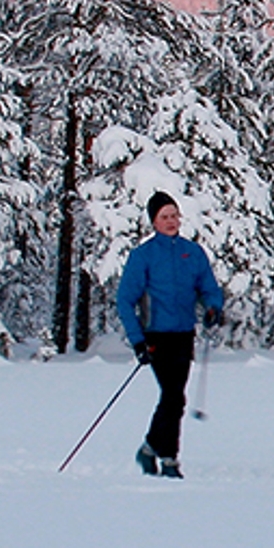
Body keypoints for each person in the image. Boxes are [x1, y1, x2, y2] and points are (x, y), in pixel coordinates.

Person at [114, 191, 226, 479]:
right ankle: (168, 459)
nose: (171, 221)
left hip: (183, 335)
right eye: (164, 216)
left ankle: (151, 449)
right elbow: (125, 299)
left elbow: (209, 288)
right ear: (154, 221)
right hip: (156, 336)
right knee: (173, 397)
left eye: (174, 215)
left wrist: (213, 308)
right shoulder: (143, 256)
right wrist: (138, 340)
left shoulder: (193, 252)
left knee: (174, 397)